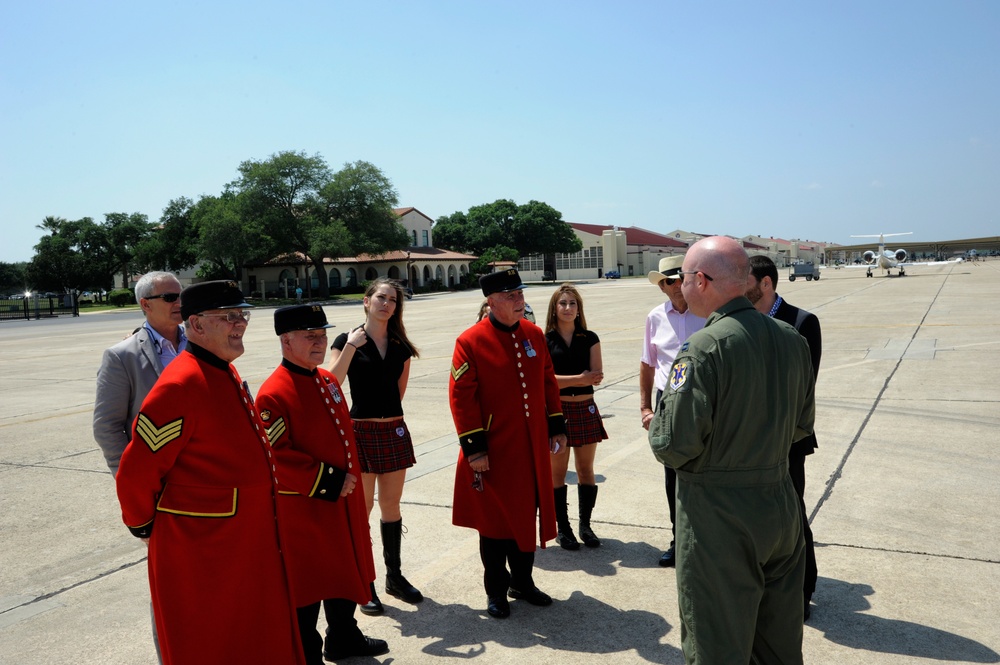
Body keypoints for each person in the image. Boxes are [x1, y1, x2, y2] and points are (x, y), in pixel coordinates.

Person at [115, 280, 304, 665]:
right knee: (211, 644)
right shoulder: (180, 384)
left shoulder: (222, 371)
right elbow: (137, 473)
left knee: (250, 638)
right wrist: (146, 526)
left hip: (242, 545)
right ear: (196, 325)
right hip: (203, 552)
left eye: (242, 315)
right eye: (229, 317)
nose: (240, 324)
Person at [648, 237, 815, 664]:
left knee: (717, 646)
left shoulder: (703, 349)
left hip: (719, 519)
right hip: (780, 509)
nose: (681, 287)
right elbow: (801, 426)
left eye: (684, 279)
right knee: (777, 646)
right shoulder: (791, 339)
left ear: (701, 280)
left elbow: (673, 444)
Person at [256, 305, 388, 663]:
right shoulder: (272, 394)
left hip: (341, 501)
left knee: (344, 570)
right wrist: (330, 482)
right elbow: (276, 457)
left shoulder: (326, 380)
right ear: (285, 341)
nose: (319, 341)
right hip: (307, 507)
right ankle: (307, 653)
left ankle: (344, 637)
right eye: (309, 336)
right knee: (310, 584)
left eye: (322, 334)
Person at [449, 268, 566, 619]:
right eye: (512, 296)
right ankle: (496, 591)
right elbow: (461, 397)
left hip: (530, 448)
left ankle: (523, 583)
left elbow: (547, 381)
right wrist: (475, 449)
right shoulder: (470, 341)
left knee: (525, 516)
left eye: (520, 295)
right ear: (492, 301)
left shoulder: (532, 334)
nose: (521, 301)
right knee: (495, 524)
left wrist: (556, 425)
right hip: (494, 450)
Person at [93, 270, 186, 663]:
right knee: (170, 590)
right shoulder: (122, 356)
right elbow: (107, 427)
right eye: (168, 296)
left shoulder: (201, 343)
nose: (178, 301)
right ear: (145, 304)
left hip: (209, 488)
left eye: (180, 294)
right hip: (162, 493)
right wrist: (133, 485)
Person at [328, 277, 423, 615]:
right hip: (360, 432)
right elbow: (332, 383)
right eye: (381, 297)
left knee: (391, 507)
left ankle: (393, 577)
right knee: (362, 509)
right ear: (366, 301)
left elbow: (398, 393)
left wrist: (388, 420)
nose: (387, 304)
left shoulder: (400, 346)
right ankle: (365, 583)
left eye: (393, 300)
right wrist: (352, 346)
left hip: (393, 431)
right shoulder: (347, 339)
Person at [747, 255, 822, 620]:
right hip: (749, 442)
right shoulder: (742, 321)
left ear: (765, 283)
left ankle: (804, 590)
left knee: (792, 515)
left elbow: (803, 386)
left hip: (787, 440)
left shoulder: (802, 322)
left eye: (745, 279)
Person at [639, 256, 705, 567]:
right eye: (668, 281)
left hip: (704, 399)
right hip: (667, 400)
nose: (675, 285)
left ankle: (706, 543)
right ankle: (679, 541)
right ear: (662, 287)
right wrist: (645, 407)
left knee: (705, 472)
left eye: (679, 278)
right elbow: (647, 363)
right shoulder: (654, 317)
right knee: (672, 477)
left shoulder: (708, 314)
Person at [543, 283, 607, 550]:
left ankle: (585, 526)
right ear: (554, 308)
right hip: (557, 412)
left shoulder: (589, 338)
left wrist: (571, 380)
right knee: (557, 474)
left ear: (579, 309)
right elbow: (544, 382)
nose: (568, 308)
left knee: (585, 470)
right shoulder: (544, 339)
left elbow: (597, 376)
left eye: (573, 304)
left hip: (586, 408)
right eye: (563, 303)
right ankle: (564, 528)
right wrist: (579, 379)